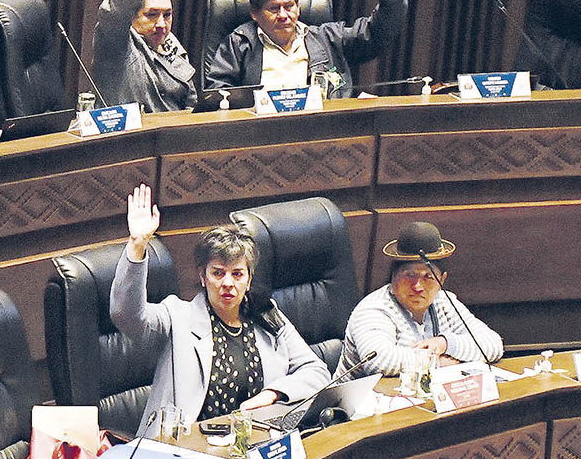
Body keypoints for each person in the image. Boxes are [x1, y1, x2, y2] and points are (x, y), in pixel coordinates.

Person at [111, 184, 330, 434]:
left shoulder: (267, 317)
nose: (228, 283)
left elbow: (317, 372)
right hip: (182, 450)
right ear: (202, 276)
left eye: (237, 274)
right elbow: (126, 316)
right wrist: (137, 245)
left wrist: (273, 393)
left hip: (250, 446)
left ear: (249, 279)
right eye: (218, 273)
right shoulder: (178, 317)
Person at [204, 0, 408, 98]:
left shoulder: (327, 38)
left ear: (298, 8)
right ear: (255, 13)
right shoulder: (239, 44)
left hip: (319, 132)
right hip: (260, 134)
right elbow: (219, 93)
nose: (283, 15)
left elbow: (375, 34)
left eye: (289, 6)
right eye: (274, 8)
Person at [337, 222, 503, 379]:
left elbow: (493, 344)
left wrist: (445, 344)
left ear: (442, 280)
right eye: (409, 275)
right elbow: (379, 361)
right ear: (393, 276)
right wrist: (435, 362)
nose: (418, 286)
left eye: (428, 277)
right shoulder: (373, 309)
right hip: (360, 406)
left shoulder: (444, 301)